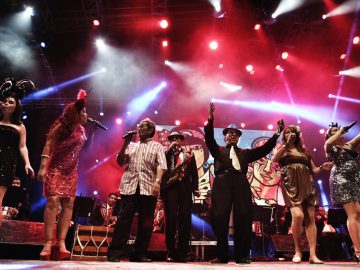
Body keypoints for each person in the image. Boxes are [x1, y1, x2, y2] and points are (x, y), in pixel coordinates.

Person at [204, 102, 284, 264]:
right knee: (220, 217)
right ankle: (222, 255)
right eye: (230, 133)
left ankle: (242, 255)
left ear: (239, 138)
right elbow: (209, 138)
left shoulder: (245, 153)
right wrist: (211, 120)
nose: (233, 135)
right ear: (225, 136)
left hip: (240, 182)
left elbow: (264, 150)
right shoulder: (218, 150)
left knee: (243, 216)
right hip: (222, 182)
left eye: (236, 134)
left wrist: (277, 134)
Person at [37, 90, 95, 261]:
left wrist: (92, 132)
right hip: (55, 169)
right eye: (84, 112)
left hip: (71, 171)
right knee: (53, 200)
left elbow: (87, 149)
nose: (86, 114)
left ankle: (61, 243)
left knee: (69, 203)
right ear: (75, 113)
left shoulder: (83, 130)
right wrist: (42, 167)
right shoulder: (61, 127)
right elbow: (48, 146)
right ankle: (48, 243)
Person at [107, 118, 167, 262]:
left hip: (148, 187)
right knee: (123, 219)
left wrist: (157, 182)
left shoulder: (157, 147)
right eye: (139, 127)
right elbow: (120, 162)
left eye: (143, 127)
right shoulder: (131, 145)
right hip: (130, 186)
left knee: (146, 222)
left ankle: (139, 254)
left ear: (151, 130)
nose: (139, 129)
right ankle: (115, 253)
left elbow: (162, 166)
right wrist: (126, 143)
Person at [273, 125, 332, 264]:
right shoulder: (283, 148)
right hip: (291, 184)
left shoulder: (304, 151)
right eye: (287, 132)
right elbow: (275, 158)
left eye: (292, 132)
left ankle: (313, 254)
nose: (290, 134)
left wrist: (322, 167)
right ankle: (298, 250)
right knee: (298, 215)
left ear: (297, 135)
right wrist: (286, 144)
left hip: (307, 184)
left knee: (310, 218)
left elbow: (314, 170)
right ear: (284, 135)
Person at [161, 130, 200, 262]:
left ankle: (183, 251)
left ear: (182, 141)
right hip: (170, 187)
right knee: (171, 218)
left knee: (185, 218)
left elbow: (194, 172)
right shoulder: (165, 153)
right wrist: (170, 149)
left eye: (178, 138)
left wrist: (195, 187)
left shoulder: (188, 154)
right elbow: (161, 167)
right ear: (170, 140)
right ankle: (170, 251)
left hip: (185, 188)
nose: (176, 140)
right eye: (173, 138)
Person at [0, 79, 35, 226]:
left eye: (11, 102)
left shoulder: (20, 126)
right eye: (5, 101)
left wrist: (27, 163)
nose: (7, 104)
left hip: (7, 162)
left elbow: (22, 146)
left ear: (17, 106)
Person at [325, 122, 360, 263]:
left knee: (358, 212)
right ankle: (358, 250)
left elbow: (358, 138)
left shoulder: (348, 145)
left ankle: (357, 247)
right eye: (334, 131)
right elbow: (328, 143)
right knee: (353, 213)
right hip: (341, 180)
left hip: (355, 180)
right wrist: (341, 131)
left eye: (338, 130)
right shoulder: (330, 147)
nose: (338, 132)